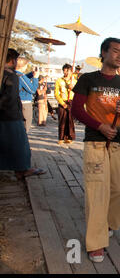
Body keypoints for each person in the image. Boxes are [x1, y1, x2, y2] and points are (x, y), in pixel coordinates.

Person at [71, 37, 120, 263]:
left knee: (119, 189)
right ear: (104, 53)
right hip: (96, 141)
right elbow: (77, 109)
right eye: (116, 51)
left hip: (119, 142)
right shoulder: (88, 79)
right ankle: (96, 242)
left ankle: (109, 223)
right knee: (97, 191)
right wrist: (99, 126)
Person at [0, 49, 46, 180]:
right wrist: (35, 78)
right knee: (21, 143)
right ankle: (23, 169)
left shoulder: (6, 74)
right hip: (11, 114)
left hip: (5, 115)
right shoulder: (13, 76)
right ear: (13, 61)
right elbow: (29, 90)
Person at [55, 63, 77, 144]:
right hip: (62, 101)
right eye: (65, 71)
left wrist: (72, 88)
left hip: (71, 102)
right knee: (62, 120)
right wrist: (62, 103)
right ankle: (61, 137)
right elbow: (56, 94)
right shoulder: (59, 81)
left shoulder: (74, 81)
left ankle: (69, 137)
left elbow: (78, 93)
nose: (67, 73)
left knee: (70, 120)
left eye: (68, 71)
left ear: (71, 72)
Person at [15, 57, 39, 132]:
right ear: (23, 66)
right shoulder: (20, 76)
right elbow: (32, 89)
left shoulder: (14, 73)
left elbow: (25, 79)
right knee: (26, 125)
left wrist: (31, 74)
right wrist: (35, 78)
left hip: (17, 102)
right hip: (24, 103)